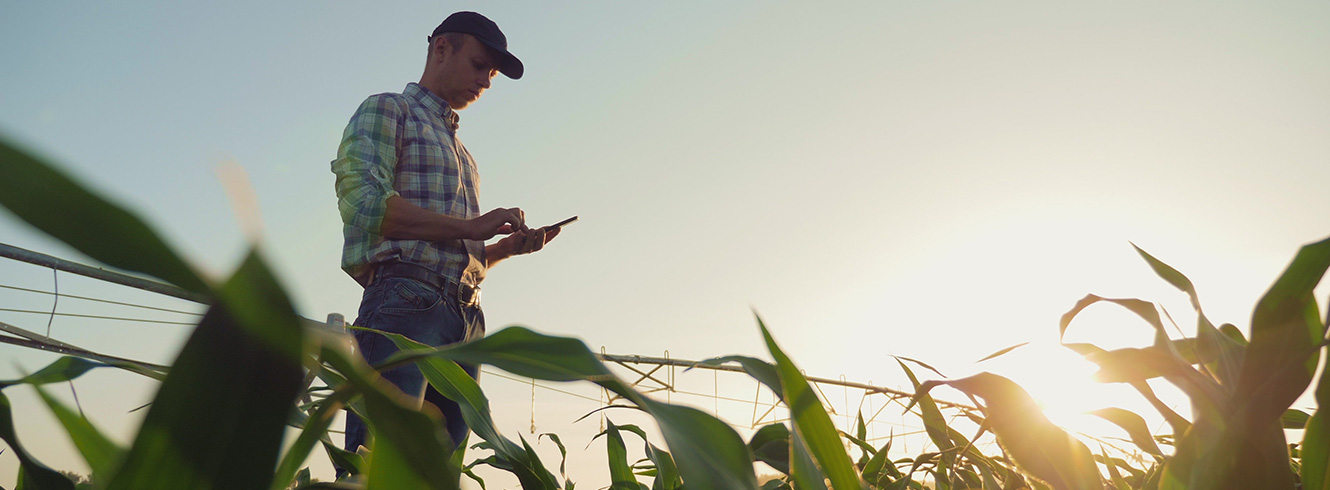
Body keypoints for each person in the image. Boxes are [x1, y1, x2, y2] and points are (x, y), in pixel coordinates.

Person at [330, 10, 557, 470]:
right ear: (441, 49)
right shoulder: (388, 109)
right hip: (405, 305)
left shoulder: (464, 155)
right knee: (375, 468)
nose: (487, 83)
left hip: (465, 320)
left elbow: (451, 254)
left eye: (492, 74)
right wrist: (470, 227)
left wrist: (502, 250)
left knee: (434, 475)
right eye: (480, 66)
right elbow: (365, 207)